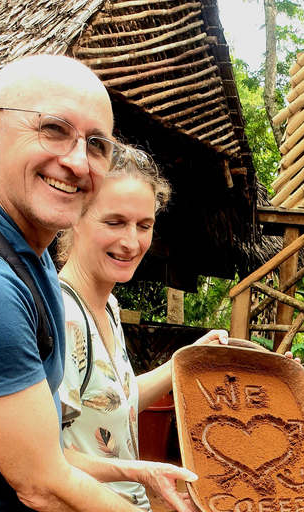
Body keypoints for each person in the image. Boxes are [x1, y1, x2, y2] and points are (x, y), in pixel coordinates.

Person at [0, 54, 194, 512]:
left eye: (98, 144)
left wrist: (136, 470)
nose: (78, 161)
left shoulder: (23, 251)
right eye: (54, 129)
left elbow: (43, 447)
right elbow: (43, 485)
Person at [55, 146, 228, 511]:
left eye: (144, 225)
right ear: (73, 217)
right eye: (114, 222)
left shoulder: (108, 307)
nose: (132, 242)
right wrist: (141, 473)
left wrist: (185, 361)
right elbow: (47, 460)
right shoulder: (65, 316)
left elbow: (118, 398)